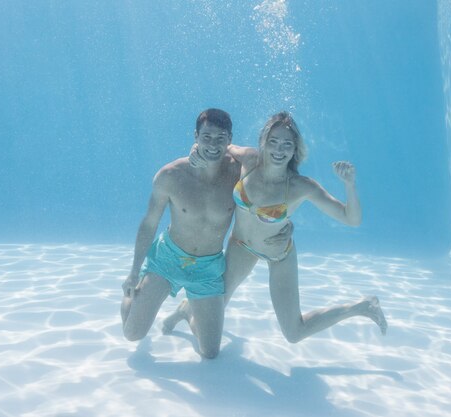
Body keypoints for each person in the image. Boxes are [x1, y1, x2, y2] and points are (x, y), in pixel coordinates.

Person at [163, 111, 387, 344]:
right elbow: (220, 146)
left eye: (286, 145)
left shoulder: (301, 186)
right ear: (263, 142)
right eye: (273, 142)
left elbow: (351, 219)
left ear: (294, 149)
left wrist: (349, 185)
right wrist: (194, 150)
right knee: (209, 316)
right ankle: (184, 310)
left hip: (279, 254)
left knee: (294, 333)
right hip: (240, 247)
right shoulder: (249, 159)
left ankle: (362, 306)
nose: (279, 150)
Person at [121, 109, 291, 358]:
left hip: (208, 268)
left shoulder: (238, 174)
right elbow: (149, 224)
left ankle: (186, 311)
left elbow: (259, 167)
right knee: (132, 334)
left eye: (220, 138)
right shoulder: (170, 176)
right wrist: (133, 272)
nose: (213, 144)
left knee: (210, 353)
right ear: (195, 136)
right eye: (206, 137)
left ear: (230, 139)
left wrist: (286, 226)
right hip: (167, 260)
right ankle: (130, 300)